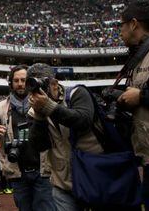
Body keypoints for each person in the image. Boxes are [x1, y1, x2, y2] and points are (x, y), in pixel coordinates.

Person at [27, 63, 102, 211]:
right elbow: (39, 146)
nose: (37, 90)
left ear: (54, 83)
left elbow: (83, 121)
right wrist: (39, 116)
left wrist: (48, 106)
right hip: (62, 183)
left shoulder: (77, 93)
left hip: (92, 176)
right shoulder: (34, 110)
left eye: (42, 84)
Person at [0, 65, 55, 211]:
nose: (20, 83)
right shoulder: (1, 107)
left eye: (24, 80)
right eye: (16, 80)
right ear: (11, 83)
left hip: (43, 169)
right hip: (18, 171)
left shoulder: (43, 101)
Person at [117, 1, 149, 209]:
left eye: (121, 25)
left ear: (133, 24)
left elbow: (143, 96)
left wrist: (142, 96)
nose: (119, 30)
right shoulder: (139, 56)